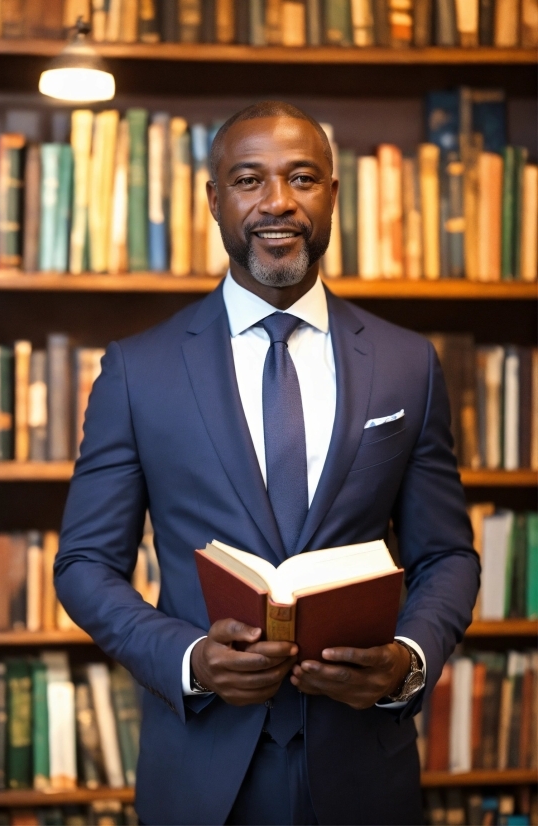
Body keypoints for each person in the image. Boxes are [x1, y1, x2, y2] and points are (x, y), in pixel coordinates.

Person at [55, 101, 480, 826]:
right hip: (199, 773)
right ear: (214, 200)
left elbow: (447, 555)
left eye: (303, 178)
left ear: (333, 197)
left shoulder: (409, 365)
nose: (277, 201)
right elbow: (85, 564)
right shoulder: (138, 370)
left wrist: (407, 659)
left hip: (364, 770)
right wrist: (189, 658)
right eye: (249, 180)